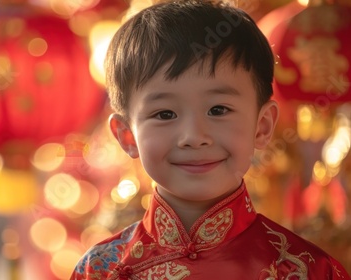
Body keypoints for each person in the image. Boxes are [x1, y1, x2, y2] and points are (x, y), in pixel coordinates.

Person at [70, 0, 351, 279]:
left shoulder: (308, 270)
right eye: (165, 114)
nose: (194, 137)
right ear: (127, 135)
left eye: (218, 110)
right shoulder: (100, 270)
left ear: (262, 126)